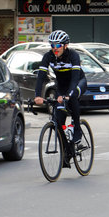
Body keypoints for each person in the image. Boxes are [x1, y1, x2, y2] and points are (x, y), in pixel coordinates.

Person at [34, 30, 89, 161]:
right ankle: (67, 150)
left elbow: (75, 78)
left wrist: (68, 95)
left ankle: (77, 128)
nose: (55, 48)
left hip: (78, 82)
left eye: (58, 45)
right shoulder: (48, 57)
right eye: (52, 45)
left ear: (65, 45)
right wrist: (37, 96)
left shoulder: (73, 56)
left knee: (73, 95)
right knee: (58, 121)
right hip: (62, 86)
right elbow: (41, 77)